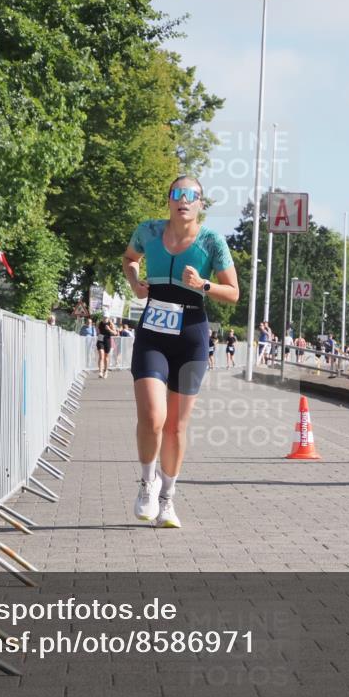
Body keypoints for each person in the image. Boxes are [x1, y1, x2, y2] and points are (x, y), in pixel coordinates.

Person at [122, 175, 239, 528]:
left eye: (192, 195)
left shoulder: (211, 241)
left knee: (175, 426)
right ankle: (146, 483)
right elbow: (130, 258)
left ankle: (168, 497)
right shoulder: (149, 231)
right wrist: (135, 282)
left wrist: (203, 284)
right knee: (152, 416)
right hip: (154, 331)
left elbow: (233, 292)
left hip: (191, 333)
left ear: (201, 203)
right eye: (177, 194)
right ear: (169, 199)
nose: (183, 200)